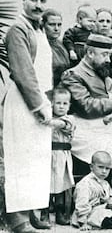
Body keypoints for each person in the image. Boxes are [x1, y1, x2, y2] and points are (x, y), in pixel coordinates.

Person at [61, 34, 112, 212]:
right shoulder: (73, 75)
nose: (107, 60)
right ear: (90, 53)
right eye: (104, 55)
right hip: (82, 129)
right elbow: (86, 107)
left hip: (102, 126)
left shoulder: (101, 74)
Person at [3, 0, 53, 233]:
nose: (38, 6)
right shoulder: (17, 30)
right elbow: (24, 73)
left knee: (36, 158)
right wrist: (39, 106)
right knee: (20, 158)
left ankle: (33, 211)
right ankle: (17, 218)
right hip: (24, 102)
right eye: (33, 0)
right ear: (24, 0)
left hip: (41, 100)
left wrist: (48, 104)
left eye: (43, 1)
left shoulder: (40, 30)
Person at [40, 87, 76, 226]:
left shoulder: (69, 119)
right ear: (52, 104)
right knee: (47, 184)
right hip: (48, 155)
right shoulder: (49, 117)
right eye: (58, 103)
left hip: (62, 156)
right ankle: (45, 213)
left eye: (65, 103)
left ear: (69, 105)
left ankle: (60, 213)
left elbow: (62, 125)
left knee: (61, 185)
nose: (61, 106)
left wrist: (48, 121)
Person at [42, 9, 71, 87]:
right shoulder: (41, 45)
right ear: (43, 25)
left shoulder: (61, 44)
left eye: (59, 25)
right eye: (52, 24)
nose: (56, 28)